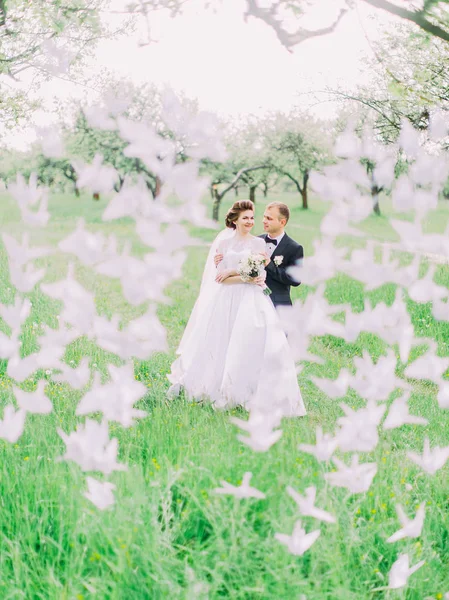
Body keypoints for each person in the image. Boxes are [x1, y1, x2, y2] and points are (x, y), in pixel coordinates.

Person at [167, 200, 306, 417]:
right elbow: (225, 276)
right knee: (227, 343)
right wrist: (231, 270)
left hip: (266, 301)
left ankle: (264, 393)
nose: (257, 221)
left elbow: (289, 279)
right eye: (250, 218)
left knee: (267, 349)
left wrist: (258, 269)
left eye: (263, 218)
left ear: (283, 221)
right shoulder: (243, 242)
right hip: (233, 298)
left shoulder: (289, 247)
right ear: (235, 220)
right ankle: (225, 387)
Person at [215, 201, 303, 307]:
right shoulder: (256, 240)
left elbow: (296, 280)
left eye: (269, 219)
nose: (264, 221)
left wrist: (269, 265)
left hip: (278, 302)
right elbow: (242, 265)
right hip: (251, 297)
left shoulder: (294, 248)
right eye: (264, 217)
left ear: (282, 222)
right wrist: (223, 263)